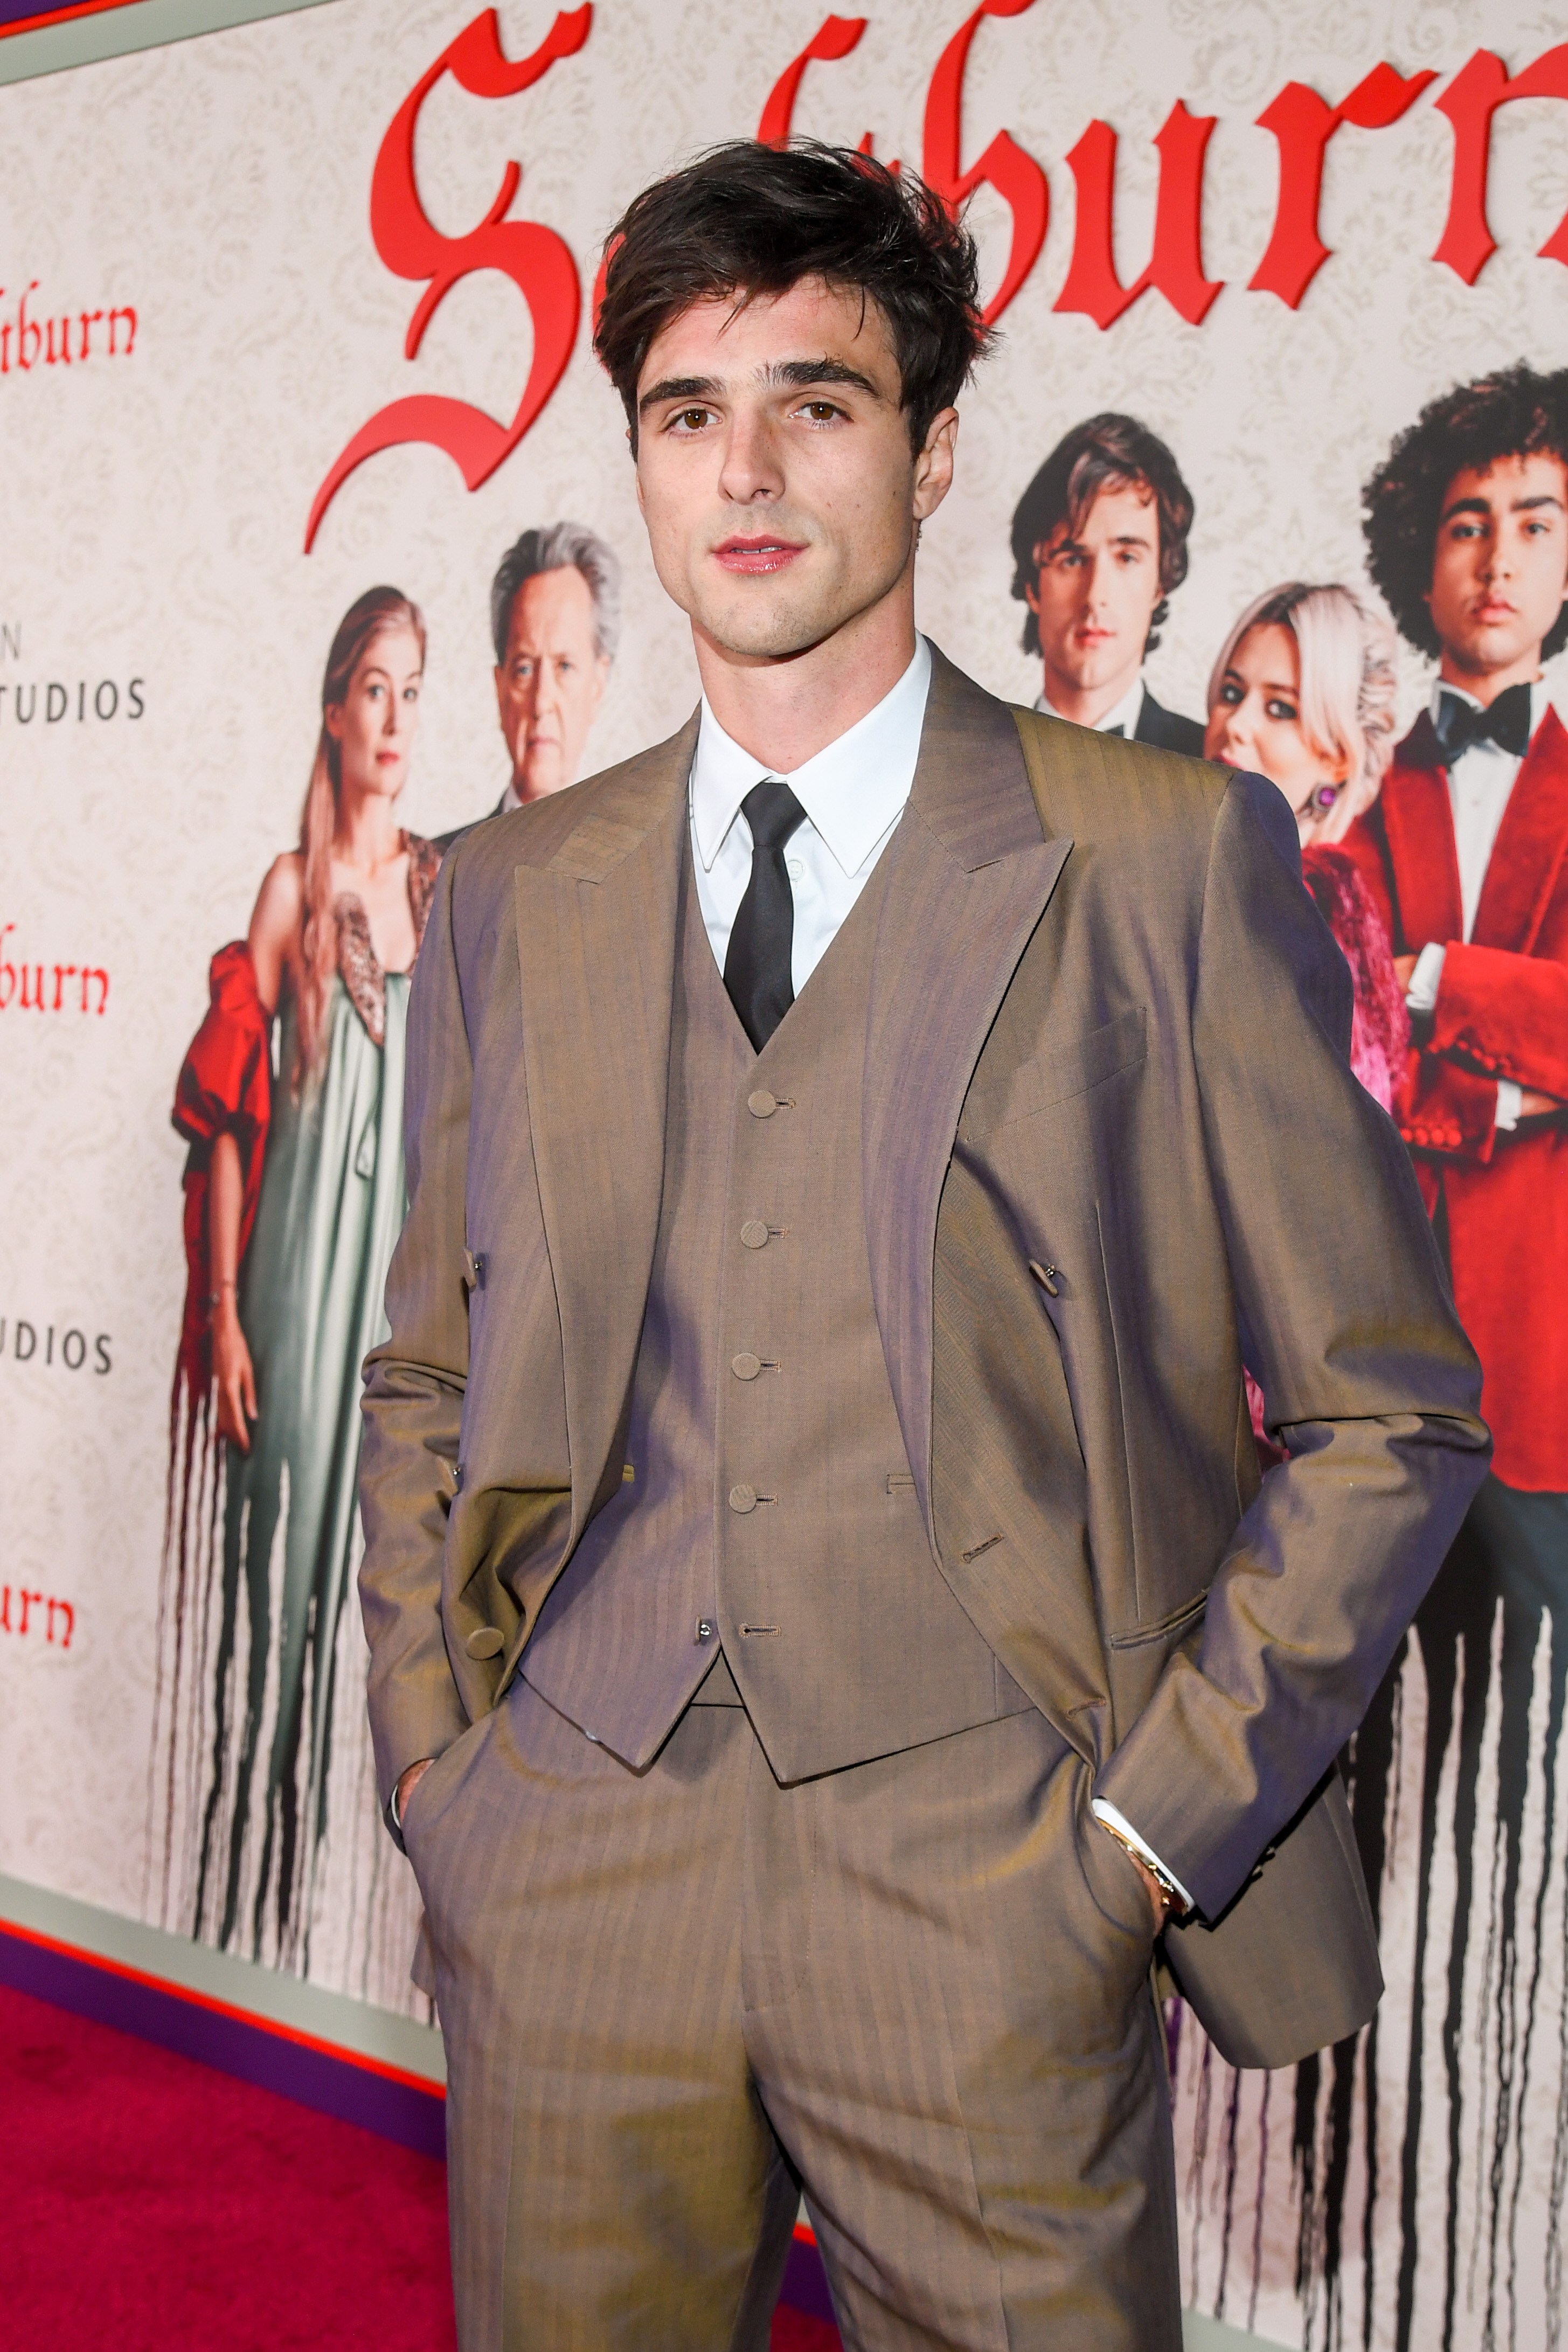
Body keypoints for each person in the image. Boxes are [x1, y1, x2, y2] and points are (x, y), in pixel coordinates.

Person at [358, 143, 1487, 2352]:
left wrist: (1138, 1840)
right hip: (573, 1858)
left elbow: (1387, 1410)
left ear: (935, 439)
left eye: (821, 401)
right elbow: (425, 1369)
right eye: (688, 413)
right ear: (639, 458)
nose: (749, 468)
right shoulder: (511, 893)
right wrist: (442, 1766)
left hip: (991, 1881)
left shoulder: (1158, 857)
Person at [157, 587, 441, 1962]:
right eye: (371, 688)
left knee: (379, 1610)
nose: (392, 719)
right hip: (286, 1288)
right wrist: (221, 1314)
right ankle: (237, 1906)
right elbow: (219, 1118)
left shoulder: (442, 888)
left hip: (396, 1309)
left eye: (409, 691)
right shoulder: (291, 886)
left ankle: (329, 1929)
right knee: (275, 1603)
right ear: (334, 705)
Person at [1204, 580, 1407, 1109]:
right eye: (1231, 694)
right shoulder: (1205, 881)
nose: (1236, 725)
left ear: (1338, 756)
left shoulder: (1315, 912)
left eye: (1281, 709)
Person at [1009, 411, 1205, 751]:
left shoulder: (1217, 772)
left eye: (1127, 558)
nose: (1096, 596)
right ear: (1033, 585)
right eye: (1072, 559)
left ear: (1161, 582)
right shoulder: (969, 765)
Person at [436, 520, 619, 848]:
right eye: (523, 670)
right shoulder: (440, 870)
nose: (541, 702)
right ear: (499, 687)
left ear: (597, 685)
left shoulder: (639, 878)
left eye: (564, 666)